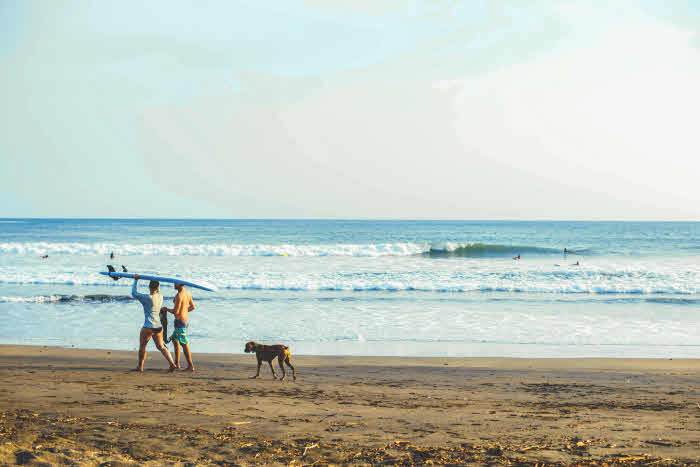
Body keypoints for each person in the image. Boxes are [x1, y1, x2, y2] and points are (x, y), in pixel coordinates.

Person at [131, 274, 177, 372]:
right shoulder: (160, 296)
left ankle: (140, 367)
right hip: (158, 327)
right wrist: (157, 278)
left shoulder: (147, 298)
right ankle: (172, 364)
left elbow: (134, 293)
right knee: (161, 346)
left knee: (142, 347)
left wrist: (136, 280)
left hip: (148, 326)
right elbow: (158, 289)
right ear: (157, 287)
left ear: (149, 287)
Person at [161, 283, 196, 371]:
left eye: (175, 283)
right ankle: (176, 363)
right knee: (175, 340)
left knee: (183, 343)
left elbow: (176, 312)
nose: (174, 284)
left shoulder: (178, 296)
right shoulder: (187, 292)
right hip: (185, 321)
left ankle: (191, 365)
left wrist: (166, 309)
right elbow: (192, 307)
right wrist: (184, 311)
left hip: (180, 322)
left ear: (180, 284)